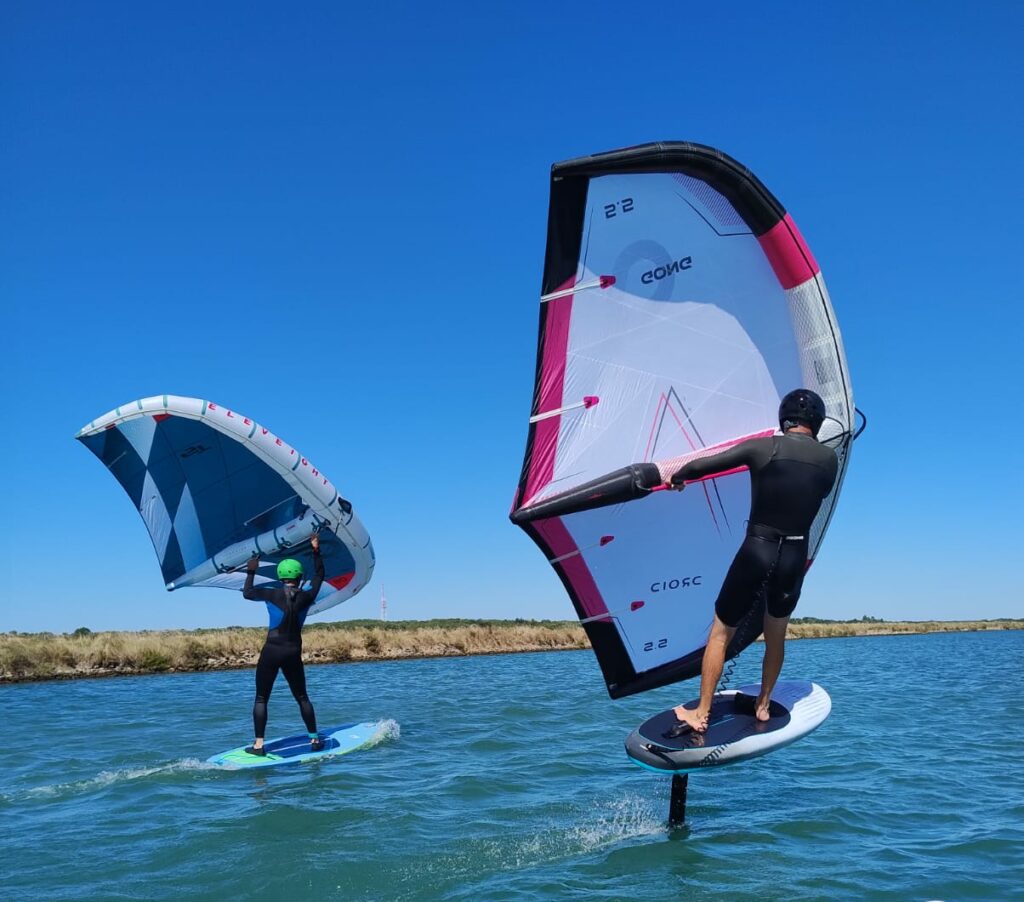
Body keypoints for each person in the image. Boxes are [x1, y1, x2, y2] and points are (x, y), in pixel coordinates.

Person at [668, 389, 838, 733]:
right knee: (776, 635)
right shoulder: (829, 461)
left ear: (784, 419)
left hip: (757, 548)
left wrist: (679, 477)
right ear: (816, 423)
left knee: (719, 634)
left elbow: (705, 464)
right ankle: (763, 705)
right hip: (793, 556)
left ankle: (701, 713)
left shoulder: (764, 448)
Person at [242, 533, 325, 755]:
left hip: (271, 650)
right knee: (302, 696)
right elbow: (319, 575)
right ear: (299, 576)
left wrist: (252, 569)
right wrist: (315, 549)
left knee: (261, 697)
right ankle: (314, 740)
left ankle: (259, 745)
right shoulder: (307, 597)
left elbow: (248, 593)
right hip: (293, 652)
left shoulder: (272, 594)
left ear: (280, 576)